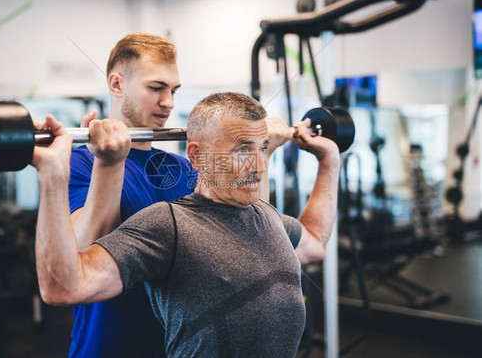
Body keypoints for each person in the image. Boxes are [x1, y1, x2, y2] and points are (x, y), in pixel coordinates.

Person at [32, 91, 340, 357]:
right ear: (197, 156)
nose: (259, 166)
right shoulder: (169, 225)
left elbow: (314, 242)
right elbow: (65, 287)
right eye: (242, 149)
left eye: (262, 148)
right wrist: (52, 174)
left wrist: (329, 162)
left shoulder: (267, 215)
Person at [67, 33, 193, 357]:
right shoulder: (80, 162)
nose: (169, 102)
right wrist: (108, 162)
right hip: (108, 348)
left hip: (177, 347)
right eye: (156, 88)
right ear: (117, 84)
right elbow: (84, 255)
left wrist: (262, 149)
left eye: (173, 91)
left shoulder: (182, 168)